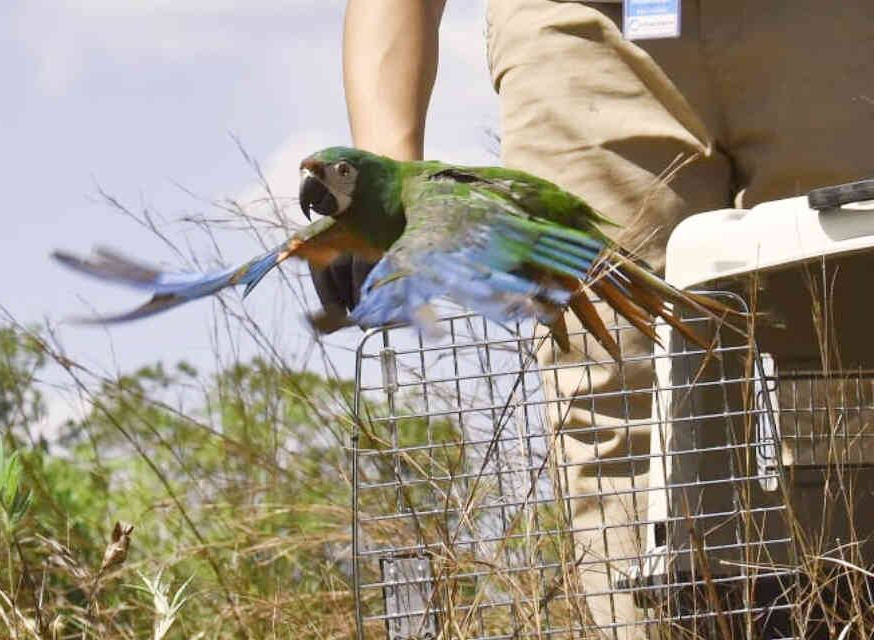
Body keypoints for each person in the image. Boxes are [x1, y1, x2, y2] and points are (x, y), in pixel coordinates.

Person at [331, 0, 874, 636]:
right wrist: (382, 184)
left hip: (821, 25)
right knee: (613, 382)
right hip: (580, 39)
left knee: (845, 369)